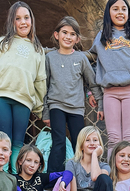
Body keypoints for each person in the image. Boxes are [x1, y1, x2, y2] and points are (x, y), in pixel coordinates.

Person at [0, 1, 46, 174]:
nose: (23, 22)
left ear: (32, 20)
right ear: (12, 22)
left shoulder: (38, 49)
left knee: (17, 143)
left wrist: (39, 108)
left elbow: (40, 81)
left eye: (26, 18)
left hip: (23, 100)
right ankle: (1, 176)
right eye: (18, 18)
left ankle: (15, 179)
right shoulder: (2, 43)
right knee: (3, 141)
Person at [90, 0, 130, 160]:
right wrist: (92, 92)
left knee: (129, 137)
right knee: (113, 138)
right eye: (115, 9)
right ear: (109, 13)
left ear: (129, 13)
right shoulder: (102, 37)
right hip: (110, 92)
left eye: (124, 9)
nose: (120, 12)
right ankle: (113, 178)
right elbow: (92, 63)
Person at [42, 16, 98, 173]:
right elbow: (44, 87)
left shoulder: (81, 58)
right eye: (64, 32)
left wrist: (91, 94)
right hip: (56, 105)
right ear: (56, 35)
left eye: (72, 34)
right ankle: (53, 178)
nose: (68, 36)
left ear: (77, 38)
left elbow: (91, 82)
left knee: (79, 143)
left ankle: (79, 175)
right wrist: (45, 112)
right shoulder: (49, 57)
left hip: (76, 108)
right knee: (58, 141)